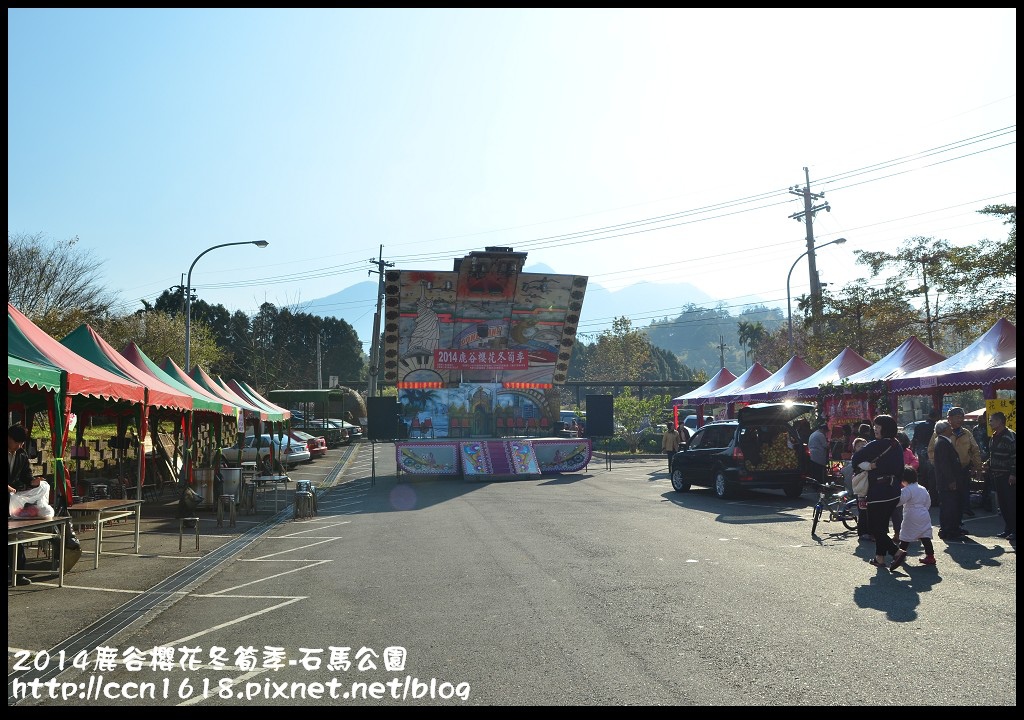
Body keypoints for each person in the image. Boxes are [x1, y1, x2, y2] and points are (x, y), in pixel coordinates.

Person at [852, 414, 904, 569]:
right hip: (894, 491)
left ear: (885, 428)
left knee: (875, 528)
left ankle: (896, 552)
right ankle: (879, 558)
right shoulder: (897, 445)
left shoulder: (876, 445)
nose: (875, 428)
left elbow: (856, 459)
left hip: (878, 492)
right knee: (881, 527)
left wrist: (869, 466)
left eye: (878, 426)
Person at [930, 407, 984, 528]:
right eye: (957, 417)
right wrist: (938, 467)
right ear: (949, 419)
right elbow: (931, 451)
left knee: (961, 497)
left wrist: (978, 466)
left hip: (963, 470)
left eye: (961, 417)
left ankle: (957, 523)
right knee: (949, 501)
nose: (960, 420)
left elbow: (975, 450)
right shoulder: (940, 433)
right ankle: (949, 527)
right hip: (947, 472)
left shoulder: (966, 432)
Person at [8, 426, 40, 586]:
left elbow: (26, 476)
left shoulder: (21, 454)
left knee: (16, 536)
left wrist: (35, 482)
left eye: (21, 443)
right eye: (16, 442)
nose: (19, 446)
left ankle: (18, 573)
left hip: (13, 501)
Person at [890, 464, 936, 569]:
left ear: (904, 479)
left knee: (906, 535)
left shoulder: (907, 490)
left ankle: (899, 554)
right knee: (925, 536)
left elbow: (900, 501)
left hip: (911, 514)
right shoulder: (923, 488)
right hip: (924, 513)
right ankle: (930, 556)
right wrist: (923, 510)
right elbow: (928, 502)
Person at [932, 420, 965, 540]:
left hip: (948, 481)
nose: (951, 428)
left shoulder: (944, 442)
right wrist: (951, 480)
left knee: (951, 506)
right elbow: (944, 464)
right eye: (949, 427)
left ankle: (952, 528)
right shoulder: (942, 443)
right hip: (947, 483)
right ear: (944, 430)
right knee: (949, 507)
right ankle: (950, 531)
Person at [987, 411, 1016, 540]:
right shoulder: (994, 436)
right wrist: (987, 464)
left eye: (992, 420)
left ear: (999, 422)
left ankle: (1014, 530)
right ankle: (1008, 528)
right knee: (1003, 505)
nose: (990, 422)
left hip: (1008, 476)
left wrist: (1013, 474)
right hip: (997, 474)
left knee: (1011, 504)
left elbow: (1015, 456)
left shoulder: (1009, 436)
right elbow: (992, 455)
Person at [913, 409, 939, 503]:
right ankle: (933, 498)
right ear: (936, 417)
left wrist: (913, 451)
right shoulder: (935, 427)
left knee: (923, 475)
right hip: (931, 452)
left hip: (920, 452)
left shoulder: (920, 425)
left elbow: (914, 440)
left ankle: (922, 497)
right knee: (932, 476)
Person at [807, 418, 830, 485]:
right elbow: (825, 446)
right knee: (819, 472)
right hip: (818, 455)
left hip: (812, 455)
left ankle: (815, 484)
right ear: (823, 430)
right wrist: (829, 445)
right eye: (825, 431)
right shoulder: (820, 435)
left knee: (815, 471)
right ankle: (820, 484)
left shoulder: (813, 434)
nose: (826, 433)